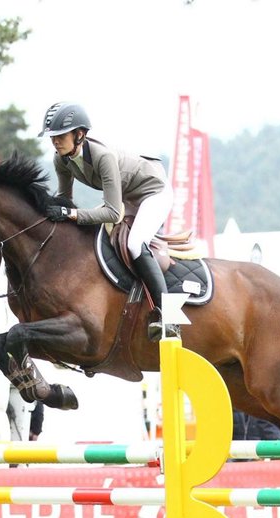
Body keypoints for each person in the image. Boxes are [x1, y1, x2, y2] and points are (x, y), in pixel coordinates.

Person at [40, 101, 179, 341]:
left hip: (154, 193)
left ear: (79, 134)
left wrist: (71, 214)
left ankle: (170, 318)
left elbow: (113, 213)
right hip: (129, 196)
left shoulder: (102, 157)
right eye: (52, 137)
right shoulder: (61, 159)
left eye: (60, 136)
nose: (55, 141)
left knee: (134, 244)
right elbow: (64, 198)